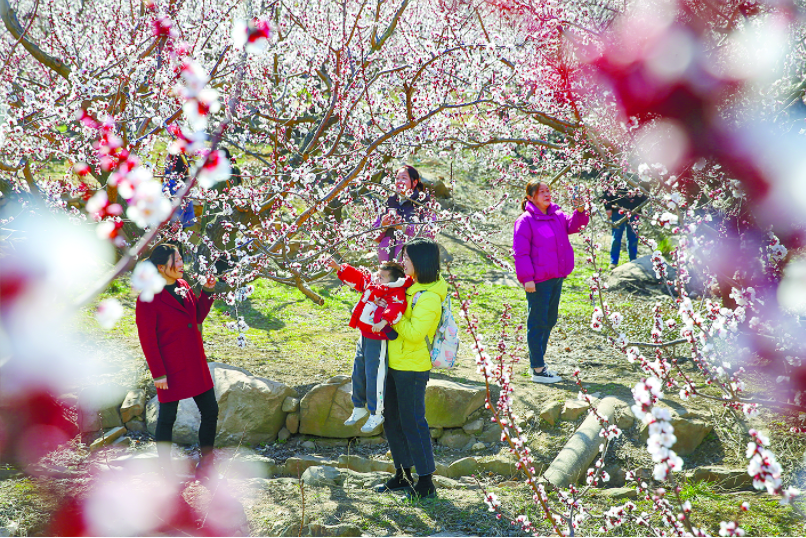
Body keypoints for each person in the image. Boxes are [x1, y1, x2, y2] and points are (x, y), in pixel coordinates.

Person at [135, 244, 219, 483]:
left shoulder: (182, 286)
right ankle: (165, 470)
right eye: (177, 260)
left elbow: (196, 316)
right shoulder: (148, 296)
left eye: (182, 258)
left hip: (194, 362)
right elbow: (147, 339)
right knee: (167, 418)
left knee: (211, 410)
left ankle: (207, 464)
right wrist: (158, 373)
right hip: (169, 368)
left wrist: (208, 291)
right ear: (161, 267)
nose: (182, 264)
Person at [377, 238, 445, 500]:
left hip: (413, 368)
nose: (402, 262)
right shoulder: (408, 287)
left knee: (413, 422)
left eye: (406, 258)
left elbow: (416, 334)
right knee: (392, 419)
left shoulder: (429, 297)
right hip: (393, 362)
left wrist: (392, 316)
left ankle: (426, 481)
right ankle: (402, 475)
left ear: (421, 262)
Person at [513, 181, 589, 384]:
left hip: (556, 276)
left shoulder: (557, 216)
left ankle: (540, 364)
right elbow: (521, 253)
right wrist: (527, 279)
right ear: (530, 197)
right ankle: (537, 370)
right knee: (537, 322)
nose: (547, 194)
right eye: (541, 192)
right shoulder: (525, 221)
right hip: (538, 281)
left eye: (548, 191)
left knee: (549, 320)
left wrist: (580, 209)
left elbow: (576, 226)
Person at [326, 258, 409, 433]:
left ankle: (376, 412)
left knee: (374, 375)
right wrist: (340, 268)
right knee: (358, 371)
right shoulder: (373, 285)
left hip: (377, 339)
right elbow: (359, 278)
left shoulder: (395, 292)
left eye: (383, 277)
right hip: (364, 334)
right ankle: (358, 406)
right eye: (378, 275)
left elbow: (396, 307)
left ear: (393, 280)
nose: (378, 278)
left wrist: (385, 320)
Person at [374, 165, 431, 263]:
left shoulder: (423, 204)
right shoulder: (389, 203)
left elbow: (429, 234)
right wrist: (383, 226)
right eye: (397, 178)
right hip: (386, 268)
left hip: (412, 266)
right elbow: (373, 235)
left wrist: (403, 228)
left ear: (414, 182)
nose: (399, 181)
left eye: (404, 178)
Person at [600, 184, 647, 270]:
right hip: (618, 210)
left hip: (634, 210)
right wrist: (608, 207)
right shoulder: (615, 172)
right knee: (616, 236)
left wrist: (642, 202)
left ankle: (633, 261)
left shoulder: (640, 172)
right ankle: (613, 262)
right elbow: (607, 189)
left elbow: (646, 188)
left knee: (633, 237)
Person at [163, 155, 196, 228]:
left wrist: (174, 222)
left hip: (173, 221)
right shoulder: (185, 182)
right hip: (183, 219)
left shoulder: (171, 183)